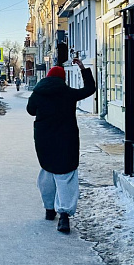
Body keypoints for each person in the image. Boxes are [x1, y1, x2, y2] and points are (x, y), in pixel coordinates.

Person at [26, 58, 96, 234]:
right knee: (66, 176)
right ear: (63, 79)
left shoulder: (38, 93)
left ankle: (49, 210)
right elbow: (90, 89)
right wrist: (83, 69)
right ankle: (64, 216)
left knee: (47, 172)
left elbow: (30, 110)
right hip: (67, 139)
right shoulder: (68, 93)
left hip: (44, 140)